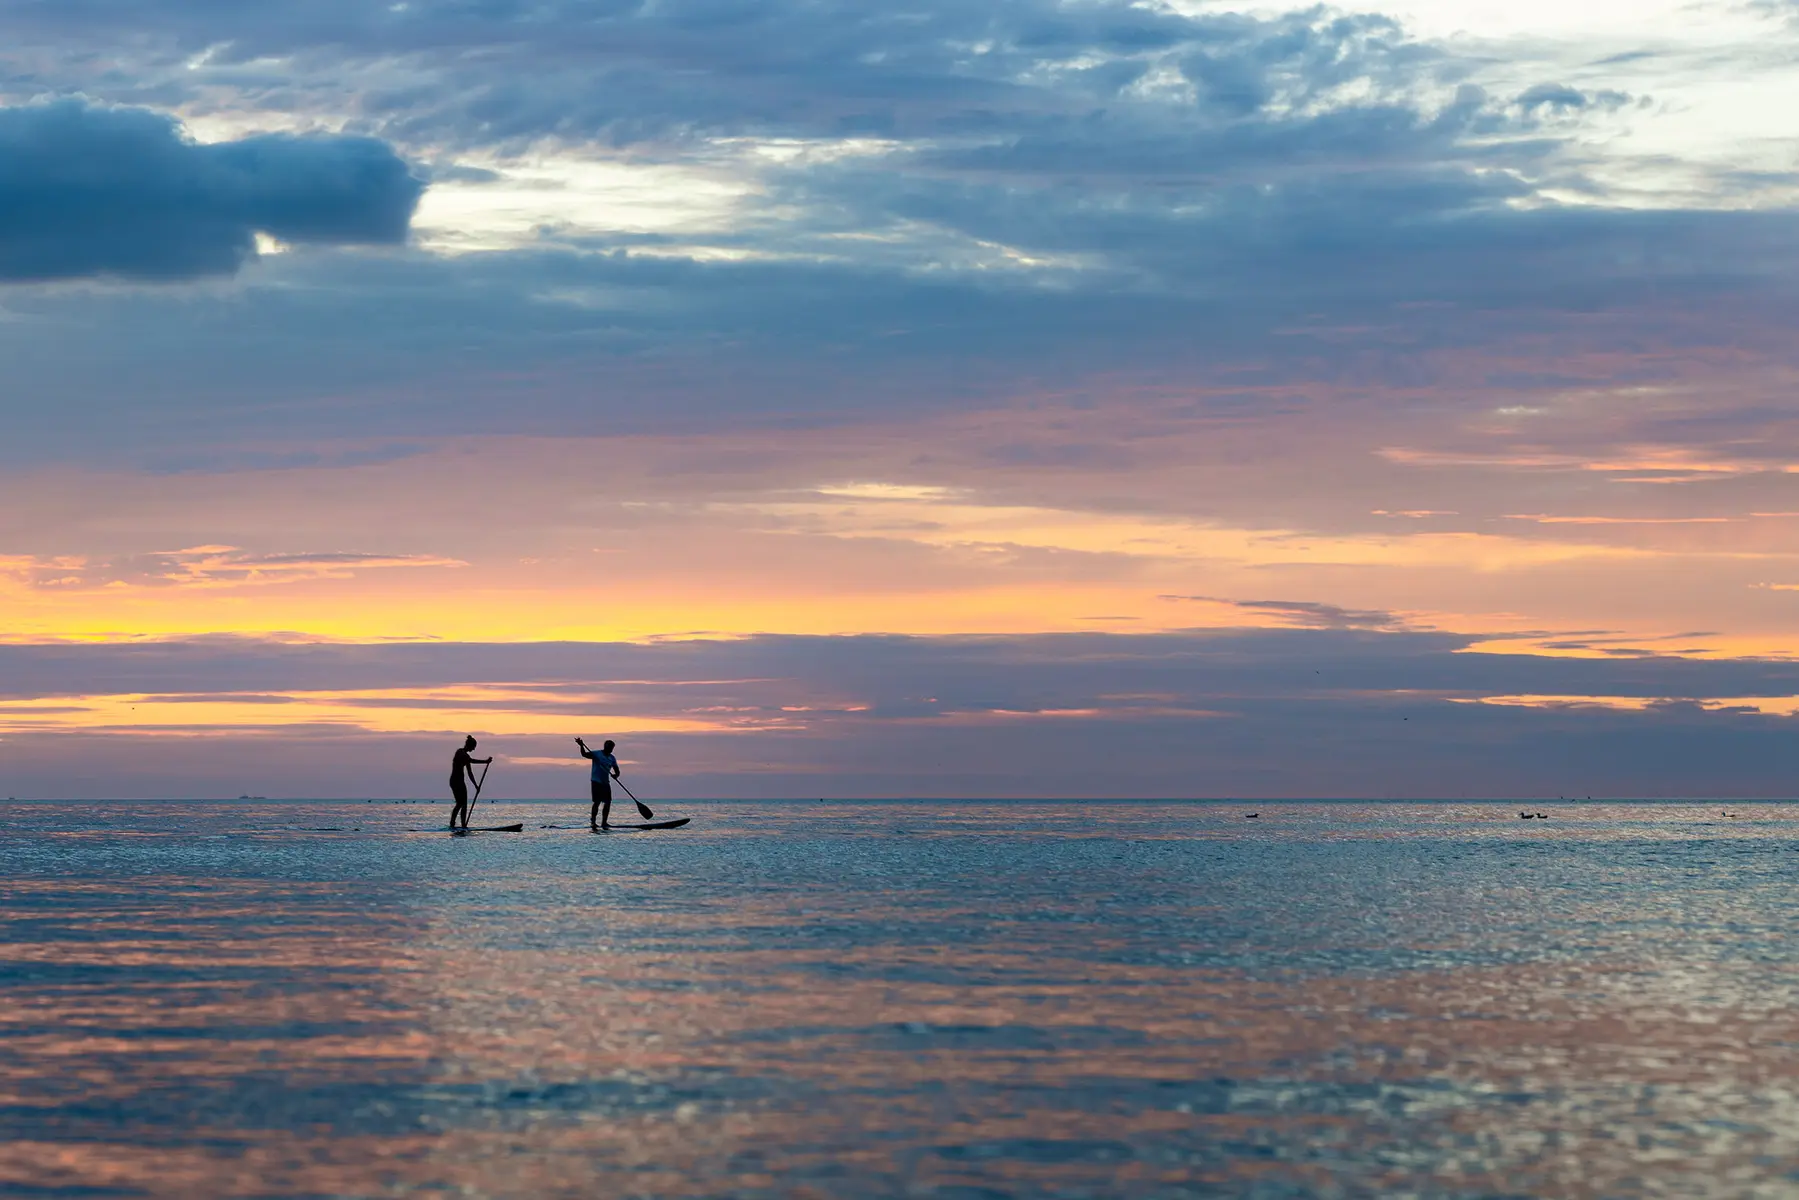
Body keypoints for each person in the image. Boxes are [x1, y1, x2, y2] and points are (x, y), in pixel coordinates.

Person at [448, 735, 492, 830]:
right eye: (473, 747)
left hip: (460, 782)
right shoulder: (460, 753)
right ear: (470, 746)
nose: (474, 749)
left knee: (463, 804)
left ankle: (463, 824)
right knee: (460, 803)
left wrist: (476, 785)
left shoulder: (466, 756)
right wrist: (485, 761)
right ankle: (453, 824)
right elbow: (472, 761)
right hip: (456, 781)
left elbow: (470, 773)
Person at [577, 737, 620, 829]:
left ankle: (604, 822)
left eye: (612, 748)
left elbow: (617, 771)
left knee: (608, 802)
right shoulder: (597, 754)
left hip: (605, 783)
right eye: (609, 747)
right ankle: (593, 822)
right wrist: (581, 745)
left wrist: (615, 775)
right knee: (597, 802)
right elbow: (584, 754)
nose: (610, 749)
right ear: (605, 747)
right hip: (596, 781)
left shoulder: (612, 758)